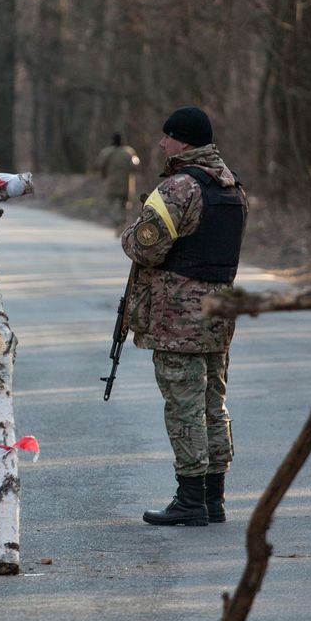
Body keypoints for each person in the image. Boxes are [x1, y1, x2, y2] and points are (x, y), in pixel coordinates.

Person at [120, 106, 248, 526]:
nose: (161, 143)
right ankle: (213, 498)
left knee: (184, 406)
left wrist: (128, 233)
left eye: (168, 136)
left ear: (185, 142)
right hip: (219, 316)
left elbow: (144, 247)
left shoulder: (179, 188)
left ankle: (190, 499)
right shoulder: (231, 187)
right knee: (215, 404)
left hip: (179, 318)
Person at [94, 132, 141, 224]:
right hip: (126, 183)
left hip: (111, 182)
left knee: (112, 203)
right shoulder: (129, 152)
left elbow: (98, 165)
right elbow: (136, 165)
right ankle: (122, 220)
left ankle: (116, 220)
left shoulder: (106, 152)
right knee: (124, 203)